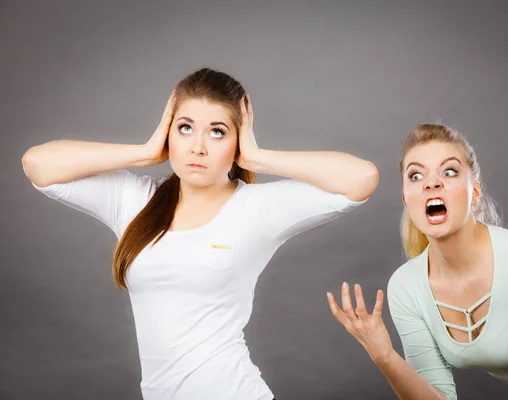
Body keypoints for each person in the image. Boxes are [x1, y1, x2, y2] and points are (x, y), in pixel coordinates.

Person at [22, 68, 379, 400]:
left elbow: (360, 179)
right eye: (186, 127)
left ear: (236, 140)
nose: (198, 148)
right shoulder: (134, 200)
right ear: (168, 131)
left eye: (218, 132)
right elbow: (38, 164)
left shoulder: (257, 209)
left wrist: (258, 158)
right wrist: (145, 153)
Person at [326, 124, 508, 400]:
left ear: (475, 192)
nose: (431, 183)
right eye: (416, 175)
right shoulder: (407, 287)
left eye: (449, 171)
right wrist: (384, 355)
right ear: (406, 201)